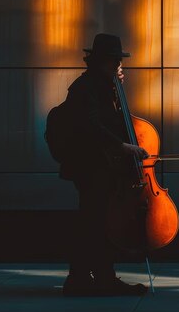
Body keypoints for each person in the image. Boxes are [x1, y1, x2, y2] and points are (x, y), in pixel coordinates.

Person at [59, 33, 149, 297]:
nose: (118, 66)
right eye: (114, 61)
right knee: (93, 222)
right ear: (101, 61)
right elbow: (92, 127)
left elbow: (113, 122)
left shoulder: (103, 85)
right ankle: (84, 279)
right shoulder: (84, 88)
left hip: (104, 168)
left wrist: (115, 88)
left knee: (98, 223)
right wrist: (125, 147)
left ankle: (97, 277)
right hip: (91, 168)